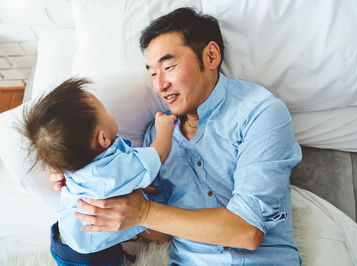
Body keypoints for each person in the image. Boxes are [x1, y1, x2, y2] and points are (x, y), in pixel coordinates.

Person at [58, 7, 303, 265]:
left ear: (211, 56)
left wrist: (144, 212)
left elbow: (247, 231)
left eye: (169, 66)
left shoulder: (259, 112)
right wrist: (91, 183)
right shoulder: (157, 136)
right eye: (153, 73)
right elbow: (162, 235)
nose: (159, 85)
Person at [22, 78, 176, 265]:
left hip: (65, 238)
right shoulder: (114, 169)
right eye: (105, 111)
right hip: (91, 257)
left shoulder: (73, 162)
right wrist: (164, 128)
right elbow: (159, 153)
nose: (109, 113)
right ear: (102, 138)